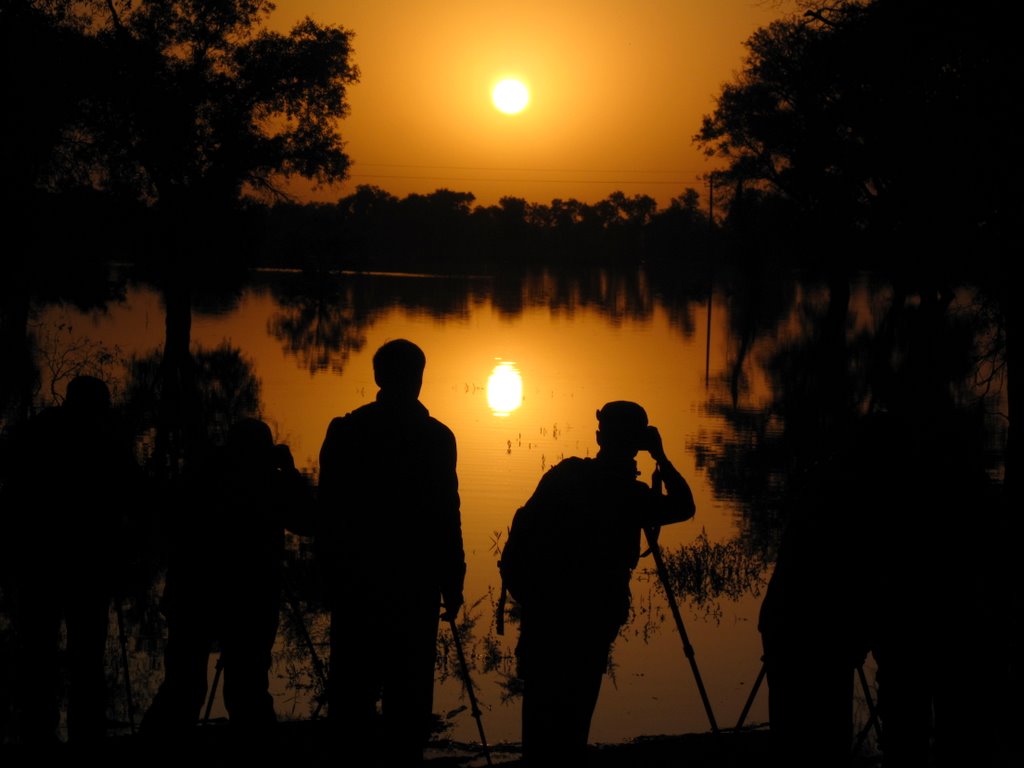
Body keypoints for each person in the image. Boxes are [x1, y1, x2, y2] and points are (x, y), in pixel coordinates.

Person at [498, 400, 696, 766]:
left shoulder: (564, 475)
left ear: (599, 436)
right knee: (575, 716)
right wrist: (662, 458)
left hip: (545, 614)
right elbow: (684, 506)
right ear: (638, 443)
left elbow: (523, 533)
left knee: (539, 717)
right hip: (592, 621)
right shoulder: (632, 497)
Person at [317, 338, 466, 766]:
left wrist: (330, 575)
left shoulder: (346, 431)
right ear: (419, 379)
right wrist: (452, 579)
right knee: (408, 695)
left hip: (356, 583)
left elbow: (328, 514)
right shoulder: (437, 438)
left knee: (352, 693)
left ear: (378, 378)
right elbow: (446, 514)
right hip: (413, 586)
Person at [139, 418, 314, 743]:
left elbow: (163, 525)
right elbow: (309, 520)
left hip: (194, 597)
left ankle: (157, 747)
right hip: (248, 600)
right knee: (246, 688)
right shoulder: (265, 483)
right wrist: (288, 472)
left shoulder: (198, 477)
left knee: (184, 686)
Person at [0, 374, 139, 746]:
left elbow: (11, 494)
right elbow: (134, 496)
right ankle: (82, 731)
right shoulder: (107, 442)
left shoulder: (31, 434)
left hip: (39, 560)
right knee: (85, 653)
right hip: (84, 563)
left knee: (38, 650)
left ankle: (37, 730)